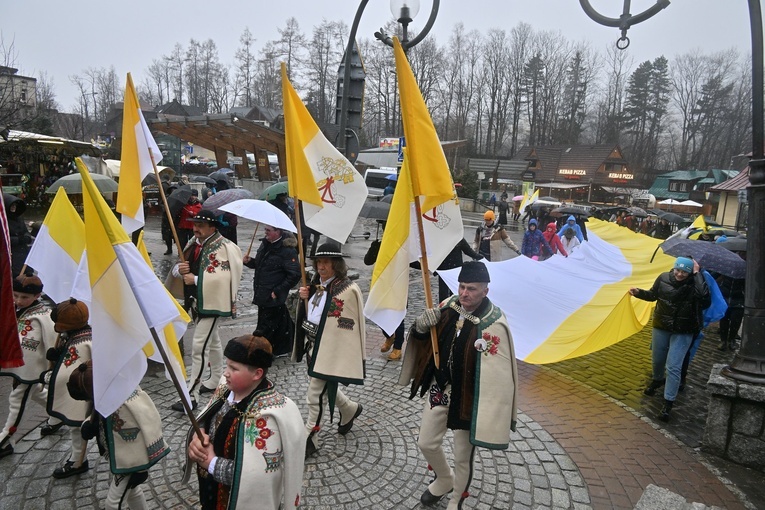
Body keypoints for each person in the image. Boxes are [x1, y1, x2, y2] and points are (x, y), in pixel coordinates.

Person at [399, 261, 518, 509]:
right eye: (462, 286)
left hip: (469, 398)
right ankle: (445, 479)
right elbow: (425, 340)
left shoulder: (494, 323)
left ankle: (456, 501)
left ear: (485, 290)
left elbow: (499, 374)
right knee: (426, 442)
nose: (464, 293)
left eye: (472, 289)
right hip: (440, 387)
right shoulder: (448, 306)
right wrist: (420, 327)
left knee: (463, 456)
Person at [185, 334, 305, 510]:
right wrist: (199, 434)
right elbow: (209, 417)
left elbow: (256, 477)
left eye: (233, 368)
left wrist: (210, 462)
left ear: (257, 374)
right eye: (226, 365)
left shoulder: (268, 416)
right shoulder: (226, 388)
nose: (225, 373)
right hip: (211, 495)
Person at [293, 241, 365, 458]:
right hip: (312, 345)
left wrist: (331, 338)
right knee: (324, 385)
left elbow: (348, 324)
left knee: (314, 393)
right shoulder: (315, 284)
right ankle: (349, 408)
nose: (321, 267)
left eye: (326, 262)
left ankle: (310, 436)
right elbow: (309, 314)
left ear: (337, 264)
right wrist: (303, 299)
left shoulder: (348, 290)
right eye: (318, 262)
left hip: (330, 348)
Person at [67, 360, 169, 510]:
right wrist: (89, 424)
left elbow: (147, 422)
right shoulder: (108, 397)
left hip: (132, 462)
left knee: (113, 504)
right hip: (125, 460)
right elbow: (100, 419)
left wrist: (141, 466)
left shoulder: (127, 402)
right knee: (133, 492)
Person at [171, 210, 243, 411]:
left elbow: (224, 278)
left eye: (200, 226)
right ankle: (215, 380)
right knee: (213, 341)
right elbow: (182, 264)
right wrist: (180, 270)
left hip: (213, 304)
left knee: (199, 346)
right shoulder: (194, 243)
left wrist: (194, 279)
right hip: (197, 301)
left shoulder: (225, 247)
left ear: (213, 227)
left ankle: (191, 396)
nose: (195, 229)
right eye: (194, 224)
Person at [629, 257, 710, 422]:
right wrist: (638, 292)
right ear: (673, 269)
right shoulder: (663, 278)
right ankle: (657, 380)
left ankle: (668, 403)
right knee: (657, 361)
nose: (680, 274)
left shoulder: (695, 283)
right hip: (661, 326)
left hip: (684, 330)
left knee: (673, 366)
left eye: (684, 271)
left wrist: (697, 274)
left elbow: (705, 299)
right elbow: (653, 295)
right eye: (677, 270)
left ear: (690, 272)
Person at [0, 275, 61, 459]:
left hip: (31, 369)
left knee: (16, 399)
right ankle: (58, 414)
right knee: (34, 393)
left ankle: (6, 439)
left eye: (24, 297)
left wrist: (51, 369)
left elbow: (52, 344)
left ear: (37, 296)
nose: (19, 300)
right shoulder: (15, 310)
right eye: (15, 295)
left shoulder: (43, 317)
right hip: (19, 366)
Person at [44, 298, 93, 478]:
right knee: (75, 427)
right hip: (74, 392)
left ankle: (78, 461)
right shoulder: (72, 337)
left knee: (77, 425)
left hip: (82, 393)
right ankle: (78, 458)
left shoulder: (85, 342)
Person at [242, 225, 300, 357]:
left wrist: (278, 291)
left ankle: (261, 351)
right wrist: (250, 261)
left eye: (268, 230)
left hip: (273, 294)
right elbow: (261, 264)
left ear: (278, 232)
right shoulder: (265, 244)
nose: (265, 232)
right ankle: (282, 348)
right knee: (279, 322)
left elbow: (294, 274)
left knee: (266, 325)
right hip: (262, 291)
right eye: (265, 230)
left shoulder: (287, 251)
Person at [4, 193, 33, 276]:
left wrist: (27, 238)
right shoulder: (3, 221)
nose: (13, 207)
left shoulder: (18, 217)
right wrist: (18, 240)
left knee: (27, 275)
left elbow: (25, 231)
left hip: (23, 253)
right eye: (11, 205)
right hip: (11, 254)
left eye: (15, 205)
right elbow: (3, 238)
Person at [716, 271, 745, 352]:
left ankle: (731, 340)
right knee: (724, 320)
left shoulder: (745, 271)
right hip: (725, 298)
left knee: (735, 321)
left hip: (739, 300)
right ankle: (723, 341)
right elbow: (715, 276)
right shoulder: (726, 269)